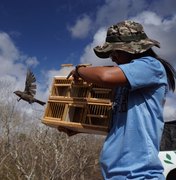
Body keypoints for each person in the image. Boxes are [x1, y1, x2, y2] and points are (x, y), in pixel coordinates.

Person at [60, 20, 176, 179]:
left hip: (139, 175)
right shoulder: (123, 86)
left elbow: (104, 76)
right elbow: (121, 128)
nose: (112, 57)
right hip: (114, 174)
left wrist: (79, 70)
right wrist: (79, 128)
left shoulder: (151, 66)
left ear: (134, 49)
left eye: (116, 51)